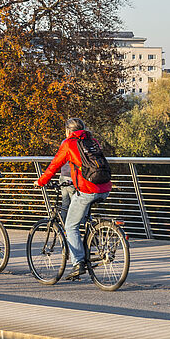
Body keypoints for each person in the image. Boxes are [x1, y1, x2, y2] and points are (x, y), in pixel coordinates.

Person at [35, 118, 112, 280]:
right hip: (104, 187)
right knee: (83, 218)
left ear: (68, 131)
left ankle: (78, 262)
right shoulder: (92, 141)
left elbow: (55, 165)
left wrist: (41, 181)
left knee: (71, 225)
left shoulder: (69, 143)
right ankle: (91, 245)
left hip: (87, 189)